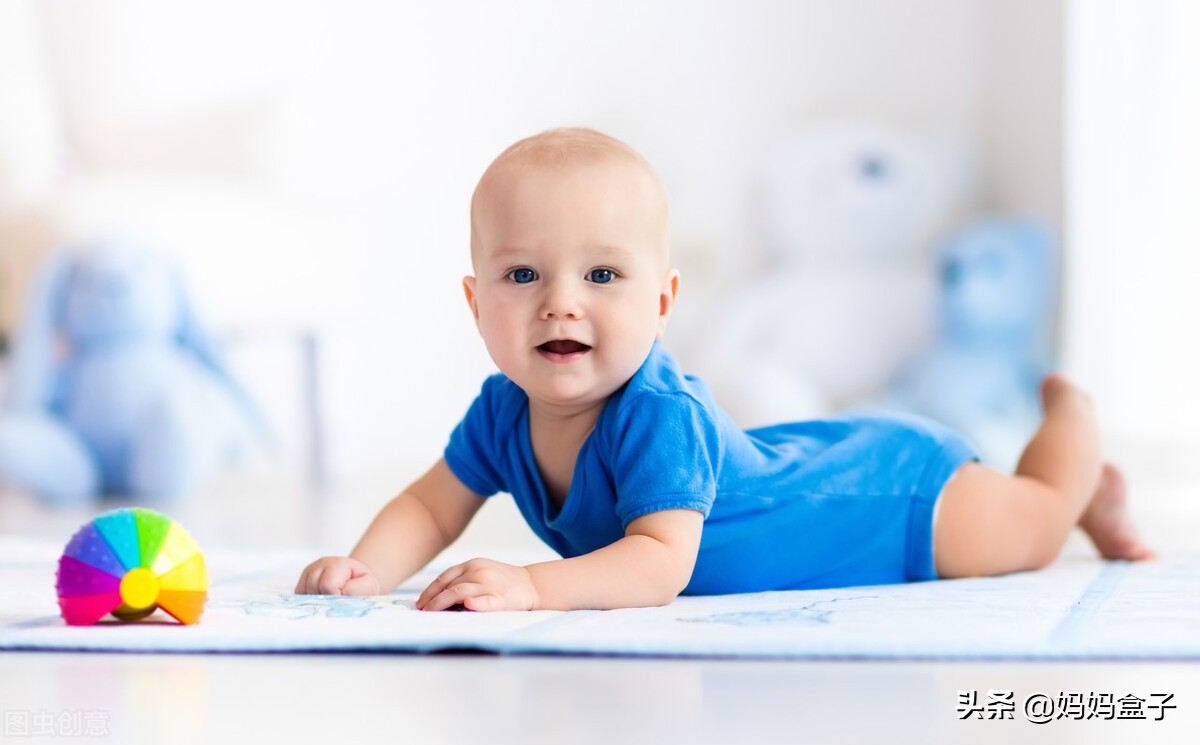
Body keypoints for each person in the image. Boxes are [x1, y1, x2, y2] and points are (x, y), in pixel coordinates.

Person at [295, 128, 1154, 611]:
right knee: (1033, 523)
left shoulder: (654, 411)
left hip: (892, 499)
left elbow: (659, 563)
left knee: (1032, 529)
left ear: (663, 302)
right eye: (523, 275)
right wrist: (367, 568)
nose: (562, 303)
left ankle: (1072, 431)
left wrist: (532, 583)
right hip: (812, 461)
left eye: (602, 276)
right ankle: (1098, 500)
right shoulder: (500, 412)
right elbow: (428, 502)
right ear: (476, 302)